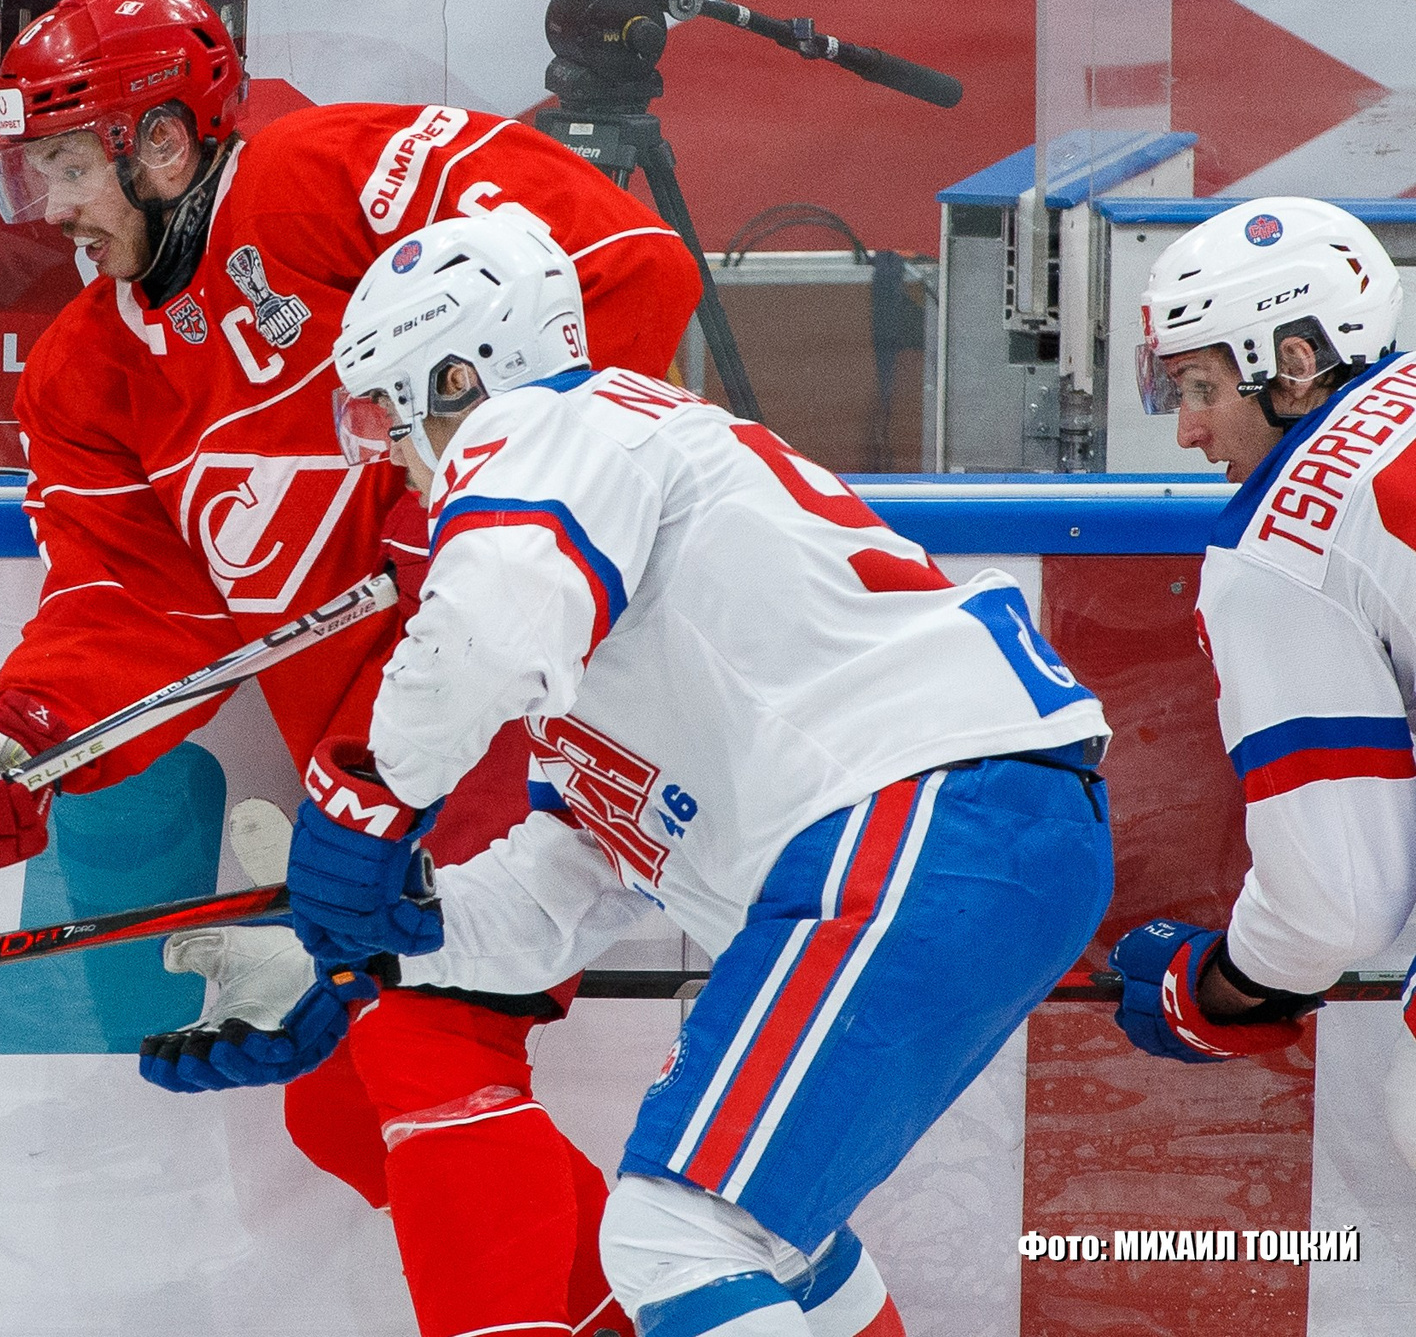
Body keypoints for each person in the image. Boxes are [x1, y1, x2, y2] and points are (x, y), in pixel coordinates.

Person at [0, 0, 704, 1337]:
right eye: (36, 168)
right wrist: (26, 736)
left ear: (163, 142)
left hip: (549, 691)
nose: (51, 208)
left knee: (418, 1031)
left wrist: (473, 506)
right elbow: (138, 610)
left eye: (69, 162)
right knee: (342, 1105)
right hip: (387, 760)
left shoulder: (333, 175)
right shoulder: (85, 377)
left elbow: (632, 265)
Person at [227, 209, 1113, 1337]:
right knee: (778, 1240)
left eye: (384, 412)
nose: (391, 458)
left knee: (671, 1234)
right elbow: (564, 884)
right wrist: (366, 951)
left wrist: (362, 805)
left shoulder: (548, 423)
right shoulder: (612, 558)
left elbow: (482, 634)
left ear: (457, 373)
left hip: (921, 817)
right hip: (970, 829)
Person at [1106, 197, 1414, 1065]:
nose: (1187, 431)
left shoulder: (1283, 548)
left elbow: (1336, 906)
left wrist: (1219, 986)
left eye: (1200, 387)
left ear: (1295, 362)